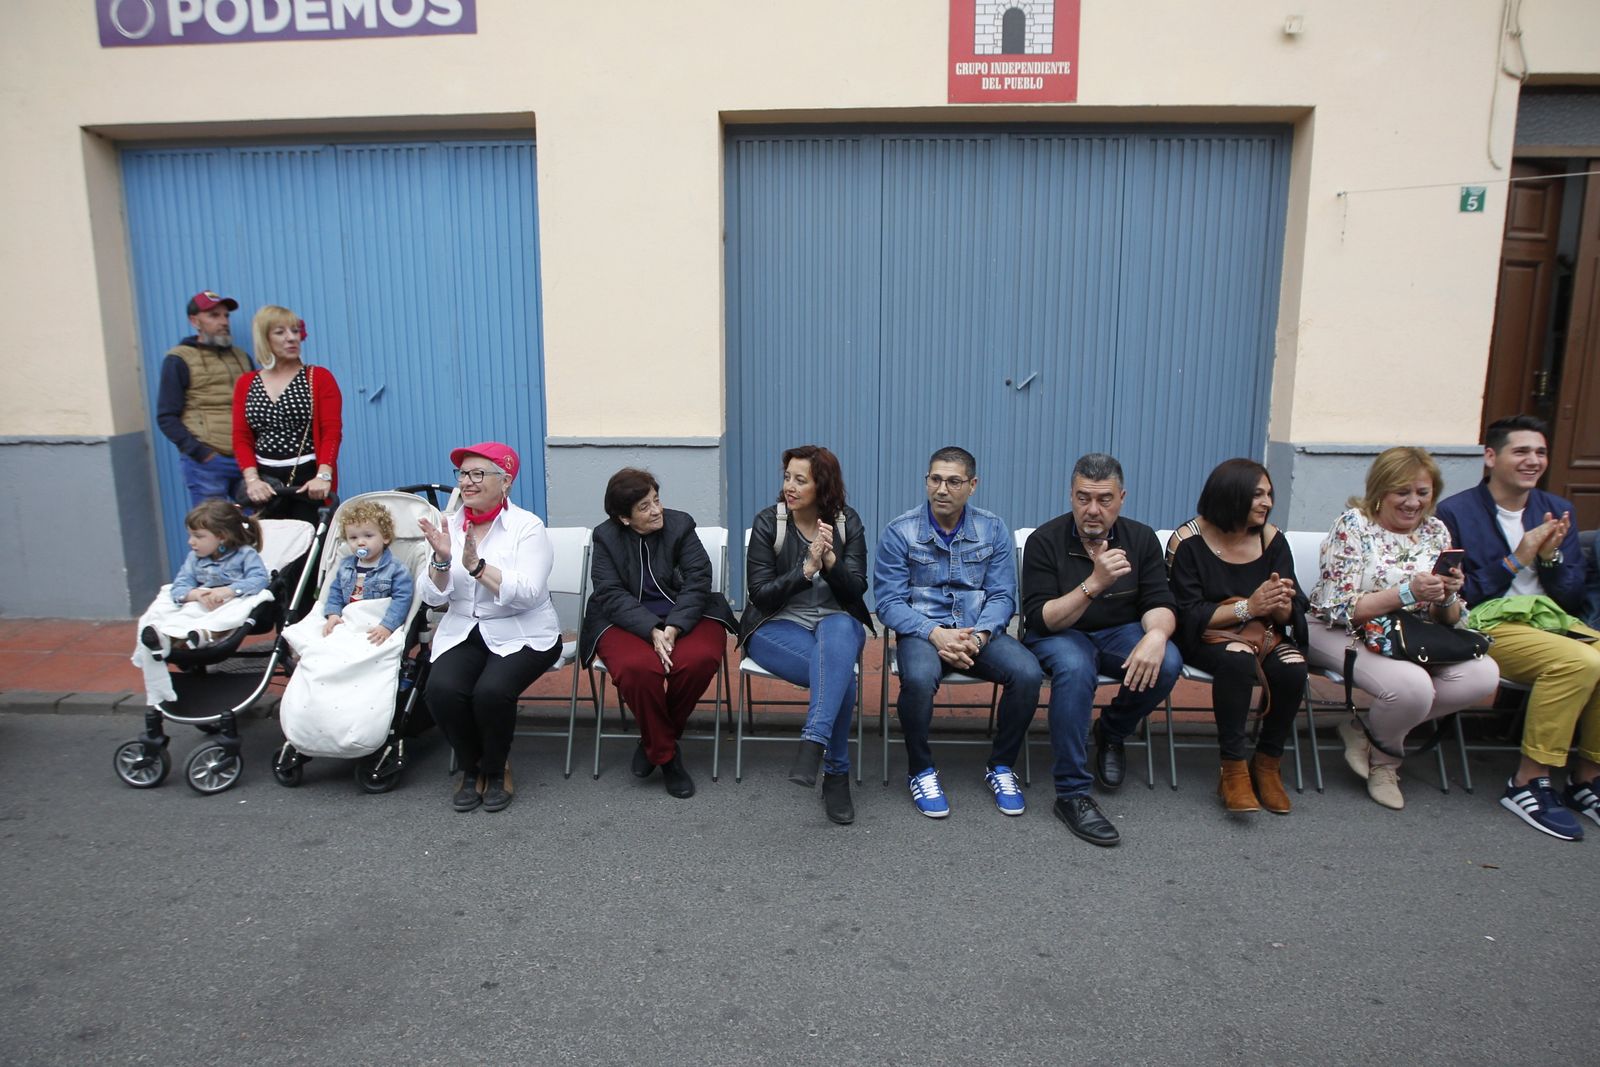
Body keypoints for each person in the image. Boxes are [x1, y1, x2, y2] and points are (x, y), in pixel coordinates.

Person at [1307, 446, 1499, 810]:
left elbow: (1446, 618)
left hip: (1412, 635)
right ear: (1380, 489)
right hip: (1341, 628)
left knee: (1483, 675)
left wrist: (1447, 596)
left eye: (1423, 493)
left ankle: (1368, 734)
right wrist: (1408, 591)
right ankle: (1386, 763)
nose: (1414, 502)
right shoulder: (1354, 525)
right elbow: (1339, 606)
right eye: (1403, 492)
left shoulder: (1436, 531)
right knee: (1412, 688)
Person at [1437, 414, 1600, 840]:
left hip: (1551, 620)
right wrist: (1518, 557)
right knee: (1579, 662)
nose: (1533, 460)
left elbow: (1571, 594)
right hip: (1488, 622)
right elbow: (1457, 594)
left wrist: (1550, 558)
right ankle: (1527, 780)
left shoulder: (1557, 510)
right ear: (1491, 457)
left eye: (1540, 452)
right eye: (1521, 451)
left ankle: (1586, 778)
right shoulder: (1455, 512)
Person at [1021, 452, 1180, 846]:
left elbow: (1160, 602)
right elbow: (1042, 618)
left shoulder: (1142, 539)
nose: (1092, 510)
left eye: (1104, 499)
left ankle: (1111, 731)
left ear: (1121, 498)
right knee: (1076, 668)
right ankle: (1072, 794)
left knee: (1168, 661)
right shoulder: (1045, 540)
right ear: (1071, 496)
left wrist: (1157, 636)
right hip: (1060, 632)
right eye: (1083, 498)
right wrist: (1094, 582)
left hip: (1118, 630)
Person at [874, 446, 1041, 820]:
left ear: (973, 485)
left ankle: (1001, 766)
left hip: (977, 632)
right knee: (916, 678)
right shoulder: (900, 532)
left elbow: (1002, 596)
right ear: (926, 481)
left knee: (1028, 673)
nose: (942, 489)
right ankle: (921, 770)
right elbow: (887, 602)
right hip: (922, 632)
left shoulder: (992, 528)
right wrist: (934, 634)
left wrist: (979, 636)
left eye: (953, 481)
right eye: (935, 479)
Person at [577, 468, 738, 800]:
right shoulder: (606, 537)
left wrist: (674, 626)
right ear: (624, 518)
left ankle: (652, 741)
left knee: (698, 660)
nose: (657, 510)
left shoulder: (680, 525)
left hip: (689, 613)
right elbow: (609, 592)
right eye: (645, 507)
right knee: (638, 669)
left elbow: (698, 580)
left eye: (657, 500)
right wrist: (650, 629)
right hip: (624, 620)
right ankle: (667, 756)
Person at [418, 443, 562, 814]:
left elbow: (529, 594)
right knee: (441, 689)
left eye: (478, 474)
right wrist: (441, 559)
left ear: (506, 482)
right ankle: (471, 768)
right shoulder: (447, 525)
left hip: (524, 631)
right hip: (465, 628)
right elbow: (434, 598)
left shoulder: (527, 527)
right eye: (463, 474)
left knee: (491, 691)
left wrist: (478, 567)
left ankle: (497, 771)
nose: (467, 482)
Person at [740, 446, 874, 825]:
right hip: (776, 625)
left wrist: (830, 563)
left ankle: (814, 742)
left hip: (836, 622)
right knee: (840, 676)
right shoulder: (771, 523)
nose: (790, 487)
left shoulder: (847, 523)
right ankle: (835, 773)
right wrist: (805, 569)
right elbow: (760, 595)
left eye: (801, 480)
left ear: (823, 486)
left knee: (837, 642)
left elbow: (855, 593)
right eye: (787, 478)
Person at [1165, 459, 1308, 815]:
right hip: (1206, 636)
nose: (1267, 502)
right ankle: (1232, 767)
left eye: (1269, 494)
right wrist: (1250, 606)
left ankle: (1268, 763)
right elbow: (1188, 614)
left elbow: (1294, 611)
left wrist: (1280, 604)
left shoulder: (1271, 538)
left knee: (1293, 666)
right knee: (1236, 659)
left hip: (1263, 633)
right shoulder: (1188, 542)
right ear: (1231, 496)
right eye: (1257, 494)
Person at [233, 305, 342, 524]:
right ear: (265, 338)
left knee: (310, 547)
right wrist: (252, 480)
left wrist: (323, 475)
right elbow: (241, 436)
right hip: (265, 483)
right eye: (280, 332)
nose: (291, 338)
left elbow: (331, 431)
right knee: (268, 548)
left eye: (295, 331)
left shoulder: (318, 377)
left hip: (306, 480)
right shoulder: (246, 383)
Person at [155, 291, 254, 506]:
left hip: (246, 460)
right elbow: (166, 416)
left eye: (226, 316)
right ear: (194, 321)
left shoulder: (241, 357)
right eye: (214, 315)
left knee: (256, 528)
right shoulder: (179, 359)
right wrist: (201, 453)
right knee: (212, 527)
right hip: (208, 461)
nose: (223, 322)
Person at [140, 500, 269, 654]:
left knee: (233, 612)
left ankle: (206, 636)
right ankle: (166, 636)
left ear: (222, 537)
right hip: (204, 601)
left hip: (232, 600)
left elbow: (260, 579)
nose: (191, 542)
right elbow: (180, 584)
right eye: (190, 536)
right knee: (178, 606)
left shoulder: (245, 554)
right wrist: (196, 594)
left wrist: (229, 591)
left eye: (198, 537)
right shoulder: (194, 558)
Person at [321, 499, 415, 646]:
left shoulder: (396, 569)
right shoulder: (345, 566)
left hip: (377, 622)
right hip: (350, 620)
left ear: (385, 537)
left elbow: (402, 600)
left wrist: (387, 626)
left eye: (368, 536)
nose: (360, 542)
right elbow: (336, 593)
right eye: (353, 538)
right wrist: (333, 614)